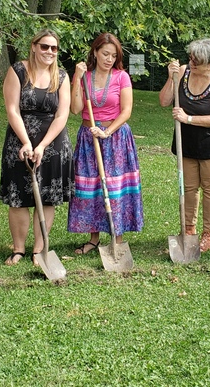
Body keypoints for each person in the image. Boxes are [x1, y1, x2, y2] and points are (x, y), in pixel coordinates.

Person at [0, 29, 72, 265]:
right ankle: (18, 248)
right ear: (33, 46)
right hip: (19, 141)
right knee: (18, 196)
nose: (49, 52)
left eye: (54, 48)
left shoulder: (61, 76)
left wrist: (42, 146)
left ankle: (39, 250)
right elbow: (12, 109)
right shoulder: (18, 71)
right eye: (44, 46)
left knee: (48, 197)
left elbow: (62, 115)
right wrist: (27, 143)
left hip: (52, 143)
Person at [67, 33, 144, 254]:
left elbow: (126, 111)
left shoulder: (122, 77)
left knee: (115, 186)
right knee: (91, 186)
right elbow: (75, 108)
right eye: (105, 54)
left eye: (114, 55)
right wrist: (76, 78)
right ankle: (93, 239)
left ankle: (117, 237)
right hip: (88, 136)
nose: (109, 59)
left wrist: (107, 132)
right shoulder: (85, 77)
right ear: (95, 52)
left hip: (116, 137)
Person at [158, 38, 210, 252]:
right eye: (191, 57)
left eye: (197, 61)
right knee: (188, 187)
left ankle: (208, 233)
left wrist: (187, 118)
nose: (192, 62)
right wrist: (171, 79)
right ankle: (189, 229)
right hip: (187, 139)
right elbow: (164, 101)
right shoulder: (183, 71)